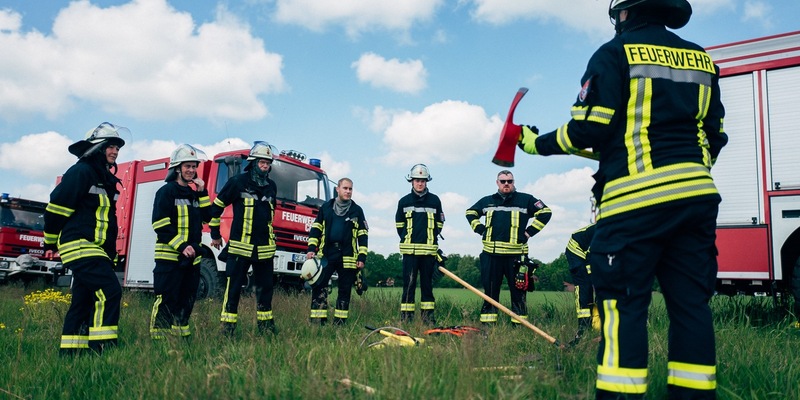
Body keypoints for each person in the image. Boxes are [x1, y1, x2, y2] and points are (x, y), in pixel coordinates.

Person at [516, 1, 726, 398]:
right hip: (696, 199)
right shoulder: (701, 59)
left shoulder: (614, 53)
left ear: (625, 12)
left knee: (623, 309)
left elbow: (589, 127)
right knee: (691, 308)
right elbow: (712, 134)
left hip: (634, 205)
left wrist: (534, 144)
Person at [43, 122, 128, 355]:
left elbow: (108, 222)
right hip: (79, 244)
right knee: (110, 290)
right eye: (110, 146)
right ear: (96, 148)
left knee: (83, 301)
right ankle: (102, 349)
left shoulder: (104, 177)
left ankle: (70, 353)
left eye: (117, 148)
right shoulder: (81, 171)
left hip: (94, 248)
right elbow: (56, 209)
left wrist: (110, 253)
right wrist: (50, 243)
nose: (115, 151)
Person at [209, 142, 278, 337]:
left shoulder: (272, 186)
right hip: (240, 248)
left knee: (265, 290)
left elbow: (270, 216)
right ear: (253, 162)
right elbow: (216, 207)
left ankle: (266, 329)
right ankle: (227, 329)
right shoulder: (237, 182)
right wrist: (215, 234)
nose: (265, 166)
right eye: (262, 162)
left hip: (264, 249)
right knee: (233, 290)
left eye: (268, 163)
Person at [465, 170, 551, 326]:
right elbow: (470, 212)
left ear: (513, 182)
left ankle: (519, 327)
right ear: (497, 182)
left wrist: (529, 232)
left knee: (519, 293)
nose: (506, 184)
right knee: (490, 292)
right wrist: (480, 229)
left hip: (517, 257)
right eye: (503, 181)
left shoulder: (526, 200)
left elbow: (546, 212)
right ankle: (488, 327)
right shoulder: (487, 201)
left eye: (509, 181)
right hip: (491, 256)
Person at [150, 144, 212, 340]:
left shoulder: (195, 195)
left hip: (191, 260)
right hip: (169, 258)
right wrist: (182, 246)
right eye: (187, 166)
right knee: (167, 299)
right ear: (177, 168)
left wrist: (202, 192)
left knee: (187, 300)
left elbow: (208, 217)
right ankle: (159, 340)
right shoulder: (166, 192)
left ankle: (180, 340)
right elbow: (160, 224)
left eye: (194, 167)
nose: (191, 170)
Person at [306, 177, 368, 325]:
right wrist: (311, 249)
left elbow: (363, 235)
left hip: (347, 256)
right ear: (337, 189)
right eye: (345, 188)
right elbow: (316, 229)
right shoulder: (326, 207)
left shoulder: (357, 210)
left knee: (345, 289)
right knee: (319, 285)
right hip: (326, 254)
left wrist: (362, 257)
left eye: (350, 189)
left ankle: (340, 322)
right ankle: (318, 321)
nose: (348, 191)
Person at [395, 164, 445, 325]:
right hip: (410, 252)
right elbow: (399, 225)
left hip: (429, 252)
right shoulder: (404, 201)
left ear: (426, 182)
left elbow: (440, 223)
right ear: (411, 181)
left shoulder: (435, 200)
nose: (420, 183)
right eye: (417, 180)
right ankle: (406, 318)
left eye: (423, 180)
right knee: (408, 285)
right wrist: (407, 238)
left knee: (427, 286)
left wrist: (430, 238)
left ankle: (428, 318)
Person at [565, 223, 597, 346]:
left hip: (589, 253)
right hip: (576, 250)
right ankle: (583, 326)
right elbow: (592, 255)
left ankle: (596, 323)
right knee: (585, 286)